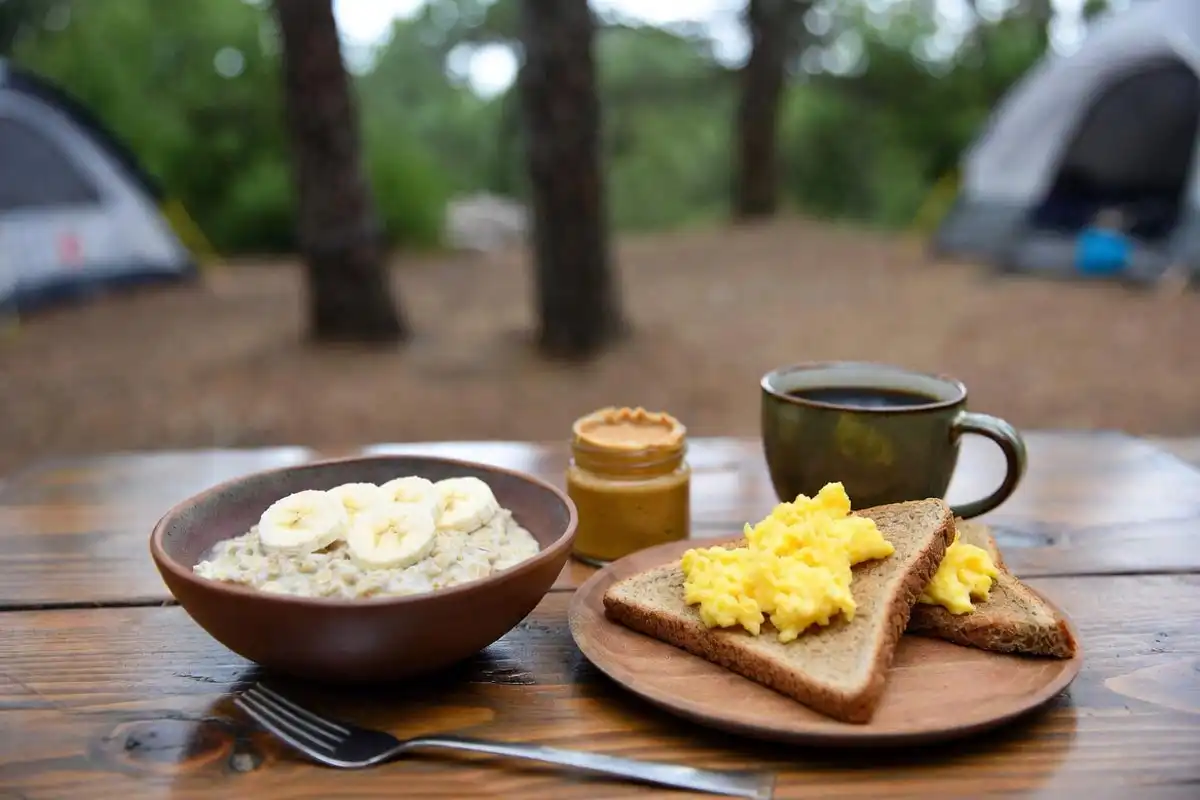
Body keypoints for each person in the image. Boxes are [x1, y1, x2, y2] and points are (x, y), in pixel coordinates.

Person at [1075, 207, 1131, 278]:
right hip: (1089, 273)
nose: (1110, 221)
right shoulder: (1089, 235)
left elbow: (1123, 259)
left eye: (1114, 219)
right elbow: (1084, 256)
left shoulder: (1121, 239)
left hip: (1114, 274)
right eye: (1107, 218)